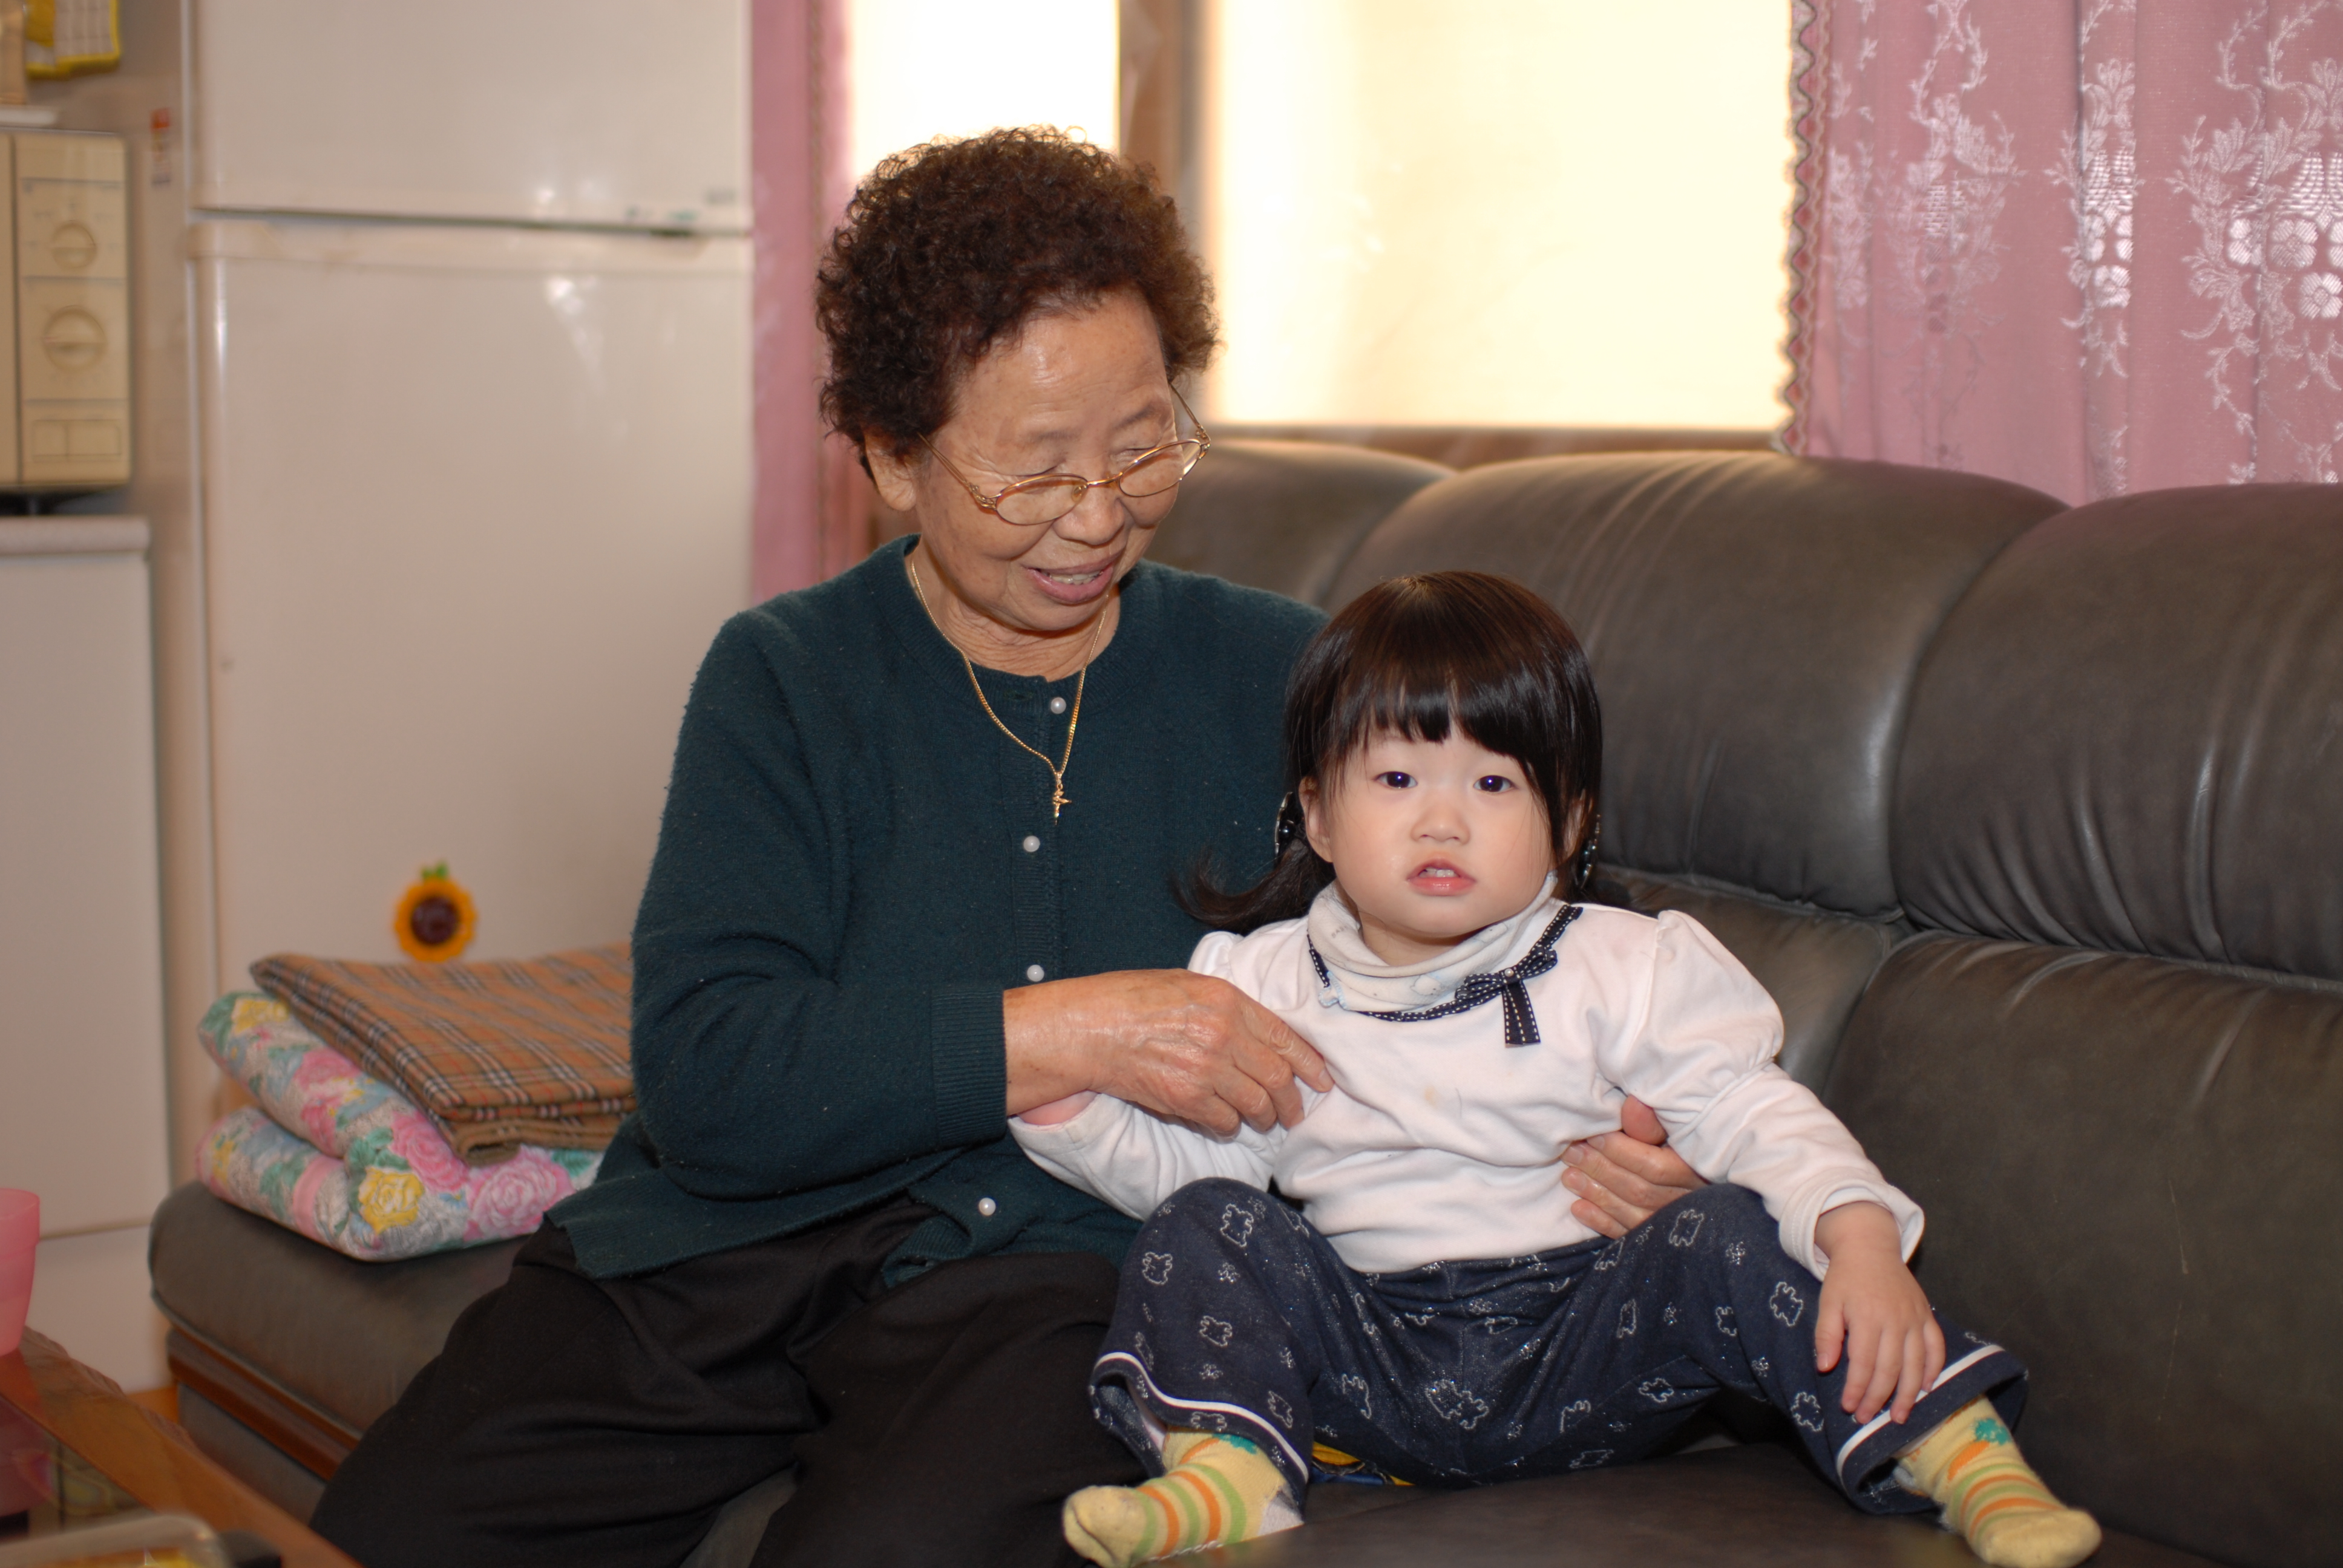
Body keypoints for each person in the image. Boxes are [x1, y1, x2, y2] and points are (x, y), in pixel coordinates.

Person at [309, 131, 1705, 1568]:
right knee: (393, 1534)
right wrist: (1074, 1031)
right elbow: (709, 1070)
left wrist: (1630, 1140)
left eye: (1140, 444)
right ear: (891, 456)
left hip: (1055, 1281)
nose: (1096, 518)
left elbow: (1532, 924)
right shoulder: (786, 676)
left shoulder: (1284, 677)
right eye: (1031, 472)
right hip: (717, 1255)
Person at [1012, 572, 2103, 1568]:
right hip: (1368, 1358)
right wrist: (1072, 1113)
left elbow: (1752, 1109)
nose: (1443, 820)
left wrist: (1860, 1237)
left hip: (1585, 1342)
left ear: (1570, 821)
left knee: (1727, 1226)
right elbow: (1204, 1169)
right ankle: (1230, 1482)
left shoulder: (1622, 967)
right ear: (1319, 815)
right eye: (1397, 777)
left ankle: (1966, 1462)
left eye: (1493, 781)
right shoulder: (1261, 984)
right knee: (1205, 1222)